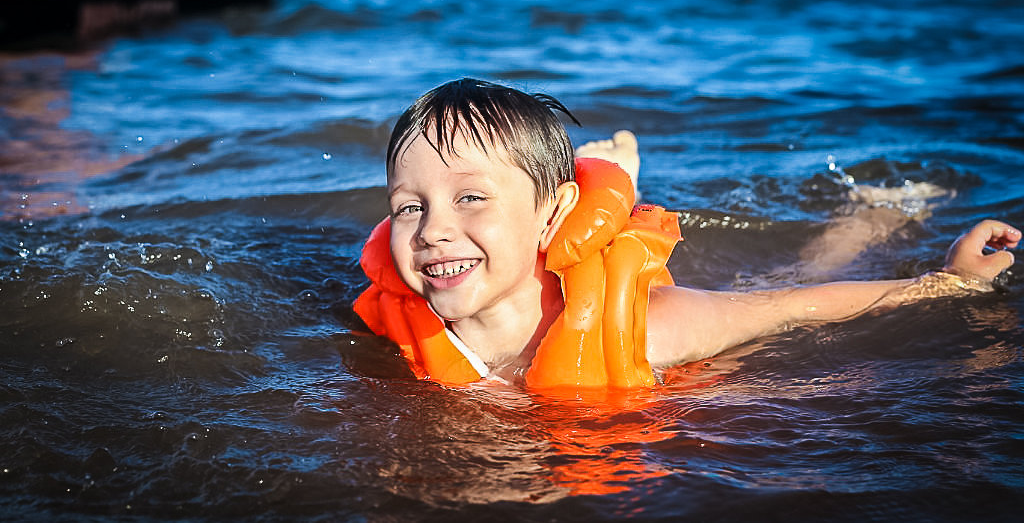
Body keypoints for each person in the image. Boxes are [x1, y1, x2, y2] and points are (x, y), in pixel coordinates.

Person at [355, 78, 1020, 388]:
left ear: (552, 216)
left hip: (683, 325)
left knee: (782, 284)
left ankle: (871, 214)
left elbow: (791, 311)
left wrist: (949, 282)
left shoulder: (652, 327)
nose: (434, 230)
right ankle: (614, 171)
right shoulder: (401, 324)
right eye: (410, 206)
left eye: (470, 197)